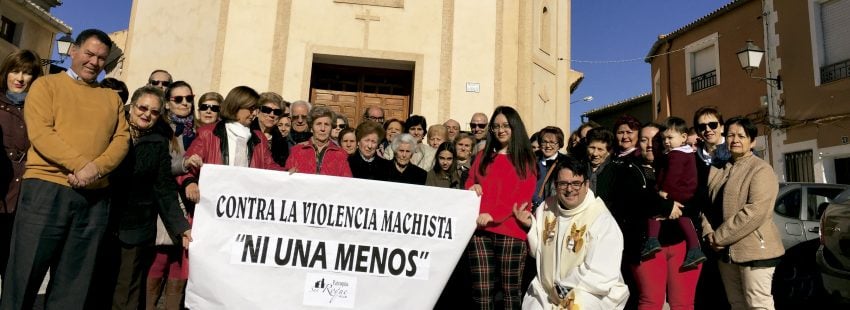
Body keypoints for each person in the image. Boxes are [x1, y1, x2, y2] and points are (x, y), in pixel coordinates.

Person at [1, 29, 130, 309]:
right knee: (24, 276)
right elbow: (41, 133)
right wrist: (82, 165)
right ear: (73, 51)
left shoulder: (112, 99)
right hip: (45, 190)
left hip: (94, 199)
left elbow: (122, 140)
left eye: (101, 58)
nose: (94, 62)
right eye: (89, 54)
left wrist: (95, 170)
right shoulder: (45, 86)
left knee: (74, 285)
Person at [106, 86, 192, 310]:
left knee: (127, 289)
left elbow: (164, 187)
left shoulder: (158, 141)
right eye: (142, 108)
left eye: (154, 112)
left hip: (136, 225)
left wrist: (180, 226)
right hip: (102, 219)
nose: (147, 114)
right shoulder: (111, 129)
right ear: (131, 107)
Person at [516, 157, 629, 309]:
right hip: (546, 291)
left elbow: (601, 273)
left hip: (588, 293)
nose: (569, 189)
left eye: (576, 183)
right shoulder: (546, 208)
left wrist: (562, 289)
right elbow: (539, 254)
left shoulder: (600, 218)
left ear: (586, 184)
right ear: (555, 185)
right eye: (563, 184)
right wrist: (530, 226)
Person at [613, 122, 699, 310]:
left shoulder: (677, 161)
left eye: (656, 140)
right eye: (644, 140)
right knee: (651, 301)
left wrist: (675, 207)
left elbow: (696, 196)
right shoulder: (626, 168)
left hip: (680, 243)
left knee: (683, 303)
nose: (651, 145)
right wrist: (665, 206)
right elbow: (631, 201)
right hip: (646, 245)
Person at [701, 116, 784, 310]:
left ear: (752, 141)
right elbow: (706, 205)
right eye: (731, 135)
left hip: (754, 251)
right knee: (736, 304)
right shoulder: (719, 169)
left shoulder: (761, 169)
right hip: (726, 253)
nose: (735, 140)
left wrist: (719, 237)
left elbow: (755, 211)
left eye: (741, 136)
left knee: (758, 304)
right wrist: (708, 232)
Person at [466, 106, 537, 309]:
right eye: (496, 126)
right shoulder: (483, 156)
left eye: (505, 125)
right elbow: (470, 180)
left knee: (510, 292)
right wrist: (472, 186)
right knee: (481, 291)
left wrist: (493, 215)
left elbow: (521, 197)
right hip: (480, 230)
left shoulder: (525, 159)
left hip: (510, 231)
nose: (500, 130)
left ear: (515, 127)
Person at [0, 49, 43, 283]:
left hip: (25, 199)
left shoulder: (40, 110)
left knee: (13, 270)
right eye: (15, 71)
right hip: (1, 191)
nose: (20, 78)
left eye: (27, 73)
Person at [642, 117, 704, 269]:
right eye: (664, 139)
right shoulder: (688, 153)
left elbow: (672, 175)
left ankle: (652, 240)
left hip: (677, 189)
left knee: (655, 213)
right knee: (684, 217)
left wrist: (664, 191)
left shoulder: (676, 154)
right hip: (686, 190)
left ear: (683, 137)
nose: (666, 142)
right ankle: (695, 248)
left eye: (670, 138)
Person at [691, 106, 731, 310]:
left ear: (721, 127)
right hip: (704, 235)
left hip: (732, 235)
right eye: (702, 126)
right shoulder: (693, 160)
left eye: (713, 124)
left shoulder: (735, 154)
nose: (708, 129)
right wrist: (706, 230)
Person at [285, 106, 352, 177]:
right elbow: (286, 176)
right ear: (311, 127)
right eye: (318, 124)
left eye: (326, 124)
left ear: (331, 127)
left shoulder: (341, 154)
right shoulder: (297, 150)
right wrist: (288, 174)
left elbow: (347, 181)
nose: (322, 129)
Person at [532, 126, 569, 209]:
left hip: (553, 209)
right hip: (531, 209)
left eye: (552, 142)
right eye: (544, 142)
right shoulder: (531, 160)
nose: (548, 146)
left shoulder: (566, 163)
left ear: (559, 144)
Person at [250, 92, 288, 167]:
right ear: (257, 111)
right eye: (266, 110)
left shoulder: (282, 141)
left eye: (277, 112)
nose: (272, 115)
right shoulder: (248, 133)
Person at [584, 127, 616, 205]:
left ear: (609, 151)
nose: (595, 154)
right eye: (592, 148)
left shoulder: (616, 171)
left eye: (600, 149)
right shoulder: (579, 168)